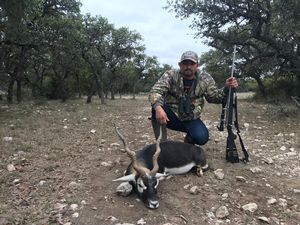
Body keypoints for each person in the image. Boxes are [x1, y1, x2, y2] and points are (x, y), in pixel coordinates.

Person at [148, 50, 238, 145]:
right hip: (171, 116)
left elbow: (214, 97)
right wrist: (158, 108)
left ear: (197, 65)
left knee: (202, 138)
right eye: (185, 63)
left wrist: (226, 88)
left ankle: (189, 140)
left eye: (192, 63)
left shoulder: (205, 78)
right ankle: (161, 145)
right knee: (155, 109)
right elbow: (155, 91)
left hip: (191, 118)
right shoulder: (170, 75)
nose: (188, 66)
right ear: (180, 64)